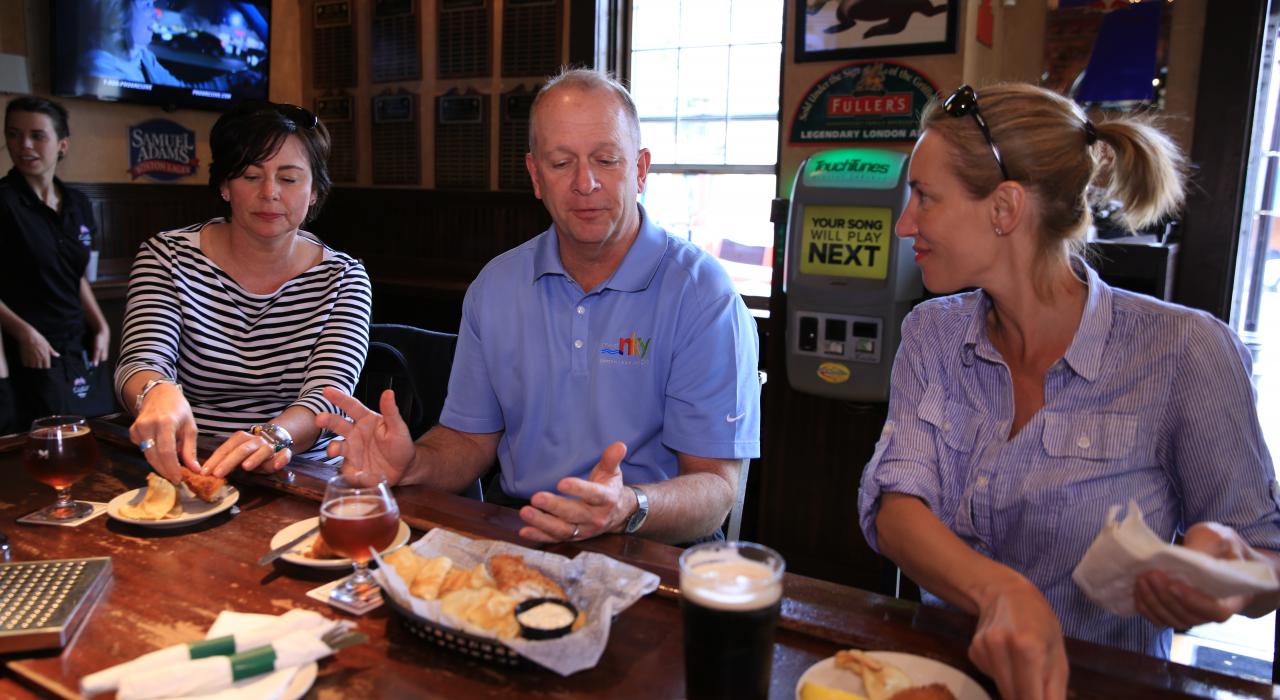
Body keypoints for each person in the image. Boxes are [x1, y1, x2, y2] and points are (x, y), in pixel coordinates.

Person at [857, 82, 1280, 700]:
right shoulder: (933, 333)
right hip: (944, 680)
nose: (904, 224)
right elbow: (896, 510)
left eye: (924, 197)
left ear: (1004, 208)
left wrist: (1226, 573)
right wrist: (1001, 589)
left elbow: (1268, 559)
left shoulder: (1185, 352)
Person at [316, 68, 761, 546]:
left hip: (653, 542)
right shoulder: (497, 285)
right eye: (561, 162)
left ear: (640, 169)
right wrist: (411, 464)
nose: (585, 183)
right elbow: (468, 441)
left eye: (606, 159)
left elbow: (716, 489)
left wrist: (628, 506)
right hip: (521, 531)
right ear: (535, 176)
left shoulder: (702, 294)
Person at [115, 100, 371, 483]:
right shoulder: (167, 256)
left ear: (314, 191)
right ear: (224, 186)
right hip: (191, 464)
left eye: (288, 178)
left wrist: (274, 437)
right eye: (251, 176)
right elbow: (141, 359)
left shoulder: (343, 277)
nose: (269, 192)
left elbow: (326, 396)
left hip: (303, 472)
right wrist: (155, 391)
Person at [0, 96, 112, 433]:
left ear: (62, 144)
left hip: (79, 339)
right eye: (14, 134)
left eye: (37, 135)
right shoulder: (4, 201)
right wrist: (25, 334)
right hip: (31, 344)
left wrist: (102, 325)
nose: (25, 145)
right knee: (49, 442)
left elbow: (74, 275)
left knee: (98, 432)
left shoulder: (77, 202)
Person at [79, 0, 261, 92]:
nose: (155, 14)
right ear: (119, 13)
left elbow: (181, 92)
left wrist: (232, 80)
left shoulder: (143, 57)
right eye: (146, 5)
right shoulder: (99, 68)